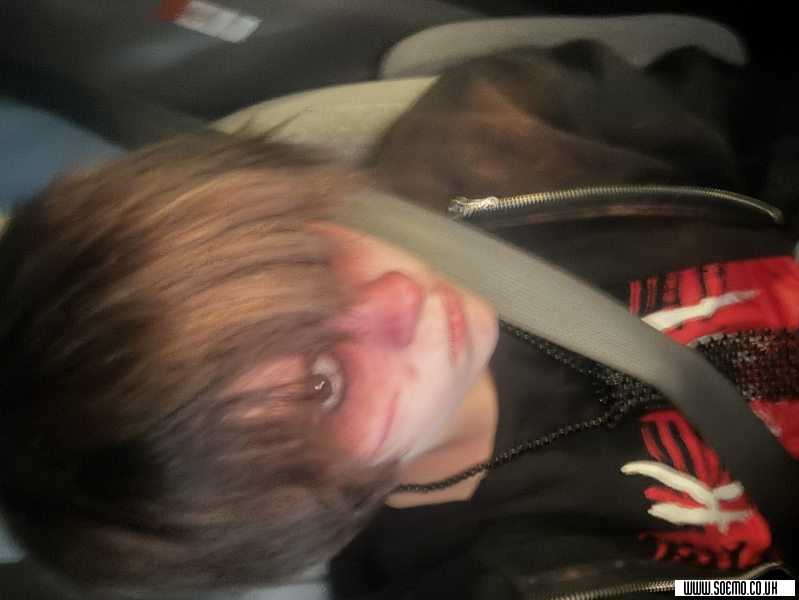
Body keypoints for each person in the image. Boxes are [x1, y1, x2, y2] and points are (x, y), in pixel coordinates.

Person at [0, 41, 797, 599]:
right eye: (323, 384)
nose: (396, 296)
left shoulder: (511, 131)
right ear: (304, 516)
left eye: (315, 261)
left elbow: (758, 114)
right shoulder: (500, 578)